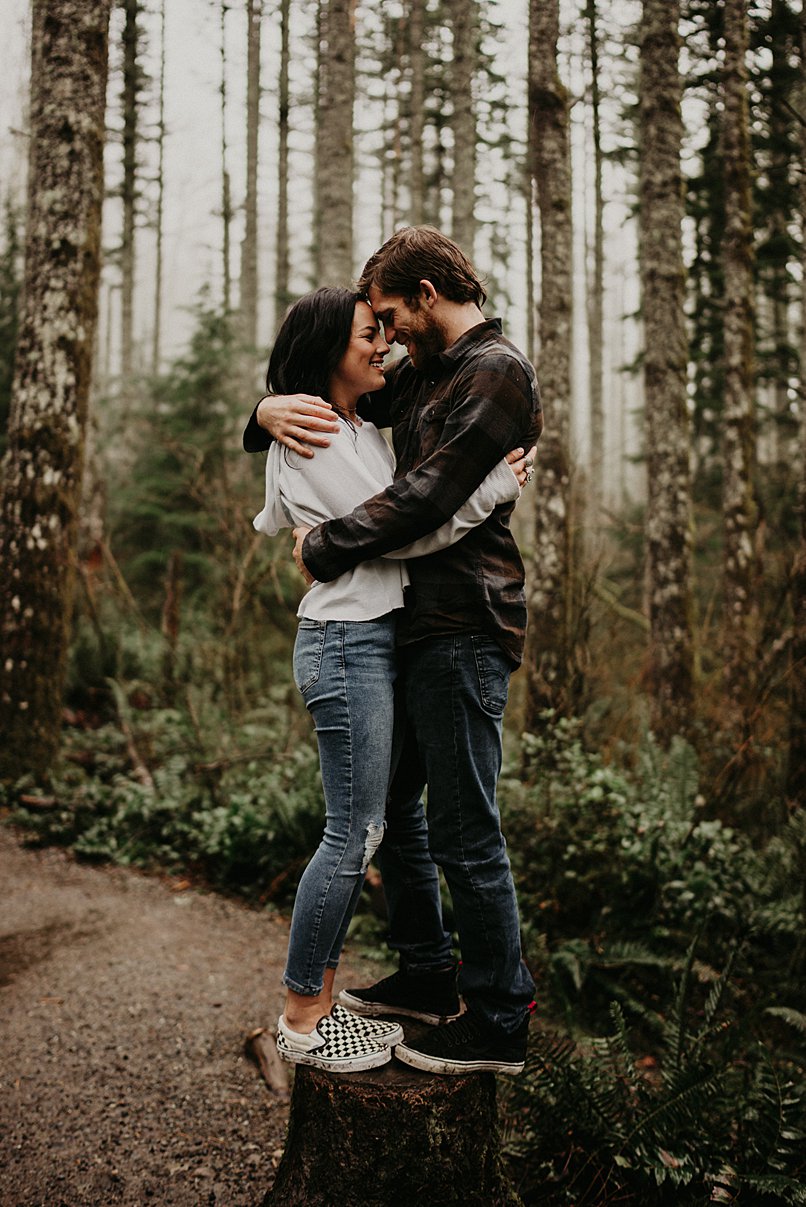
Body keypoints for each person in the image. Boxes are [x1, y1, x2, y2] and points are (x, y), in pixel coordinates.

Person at [245, 227, 542, 1077]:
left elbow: (418, 503)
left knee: (459, 829)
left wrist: (327, 546)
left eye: (388, 315)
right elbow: (326, 400)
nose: (384, 335)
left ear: (422, 292)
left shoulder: (494, 372)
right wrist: (264, 408)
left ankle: (495, 1018)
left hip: (460, 622)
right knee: (398, 817)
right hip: (397, 630)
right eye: (369, 325)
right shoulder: (425, 375)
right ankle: (425, 969)